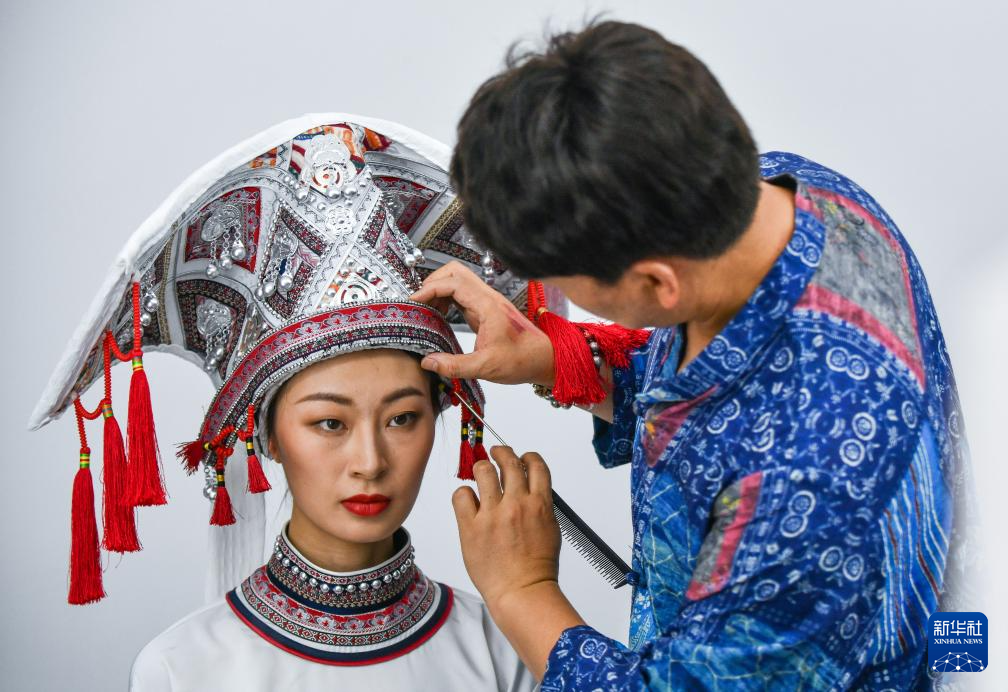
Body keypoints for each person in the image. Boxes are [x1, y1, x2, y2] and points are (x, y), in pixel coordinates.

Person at [411, 20, 977, 690]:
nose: (561, 298)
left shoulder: (803, 487)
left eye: (564, 283)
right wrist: (554, 358)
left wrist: (521, 588)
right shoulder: (789, 193)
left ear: (658, 282)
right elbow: (713, 394)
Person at [29, 114, 539, 691]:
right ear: (267, 435)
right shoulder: (181, 669)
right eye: (329, 422)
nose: (370, 462)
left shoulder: (505, 649)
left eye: (402, 418)